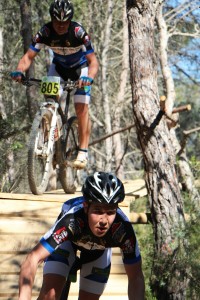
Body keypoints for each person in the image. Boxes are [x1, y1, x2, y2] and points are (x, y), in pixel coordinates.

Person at [18, 172, 145, 300]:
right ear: (85, 207)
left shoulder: (123, 229)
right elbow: (33, 258)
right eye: (98, 211)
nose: (104, 220)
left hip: (99, 251)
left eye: (111, 212)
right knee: (50, 294)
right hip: (67, 243)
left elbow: (136, 277)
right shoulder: (72, 220)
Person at [11, 0, 99, 169]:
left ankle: (83, 151)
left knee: (81, 108)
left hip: (80, 70)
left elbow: (93, 61)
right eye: (57, 22)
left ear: (70, 20)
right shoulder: (45, 32)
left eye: (64, 22)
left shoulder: (78, 32)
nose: (60, 26)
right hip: (58, 68)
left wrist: (89, 77)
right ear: (51, 19)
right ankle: (50, 142)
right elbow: (28, 57)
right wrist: (19, 71)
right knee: (50, 104)